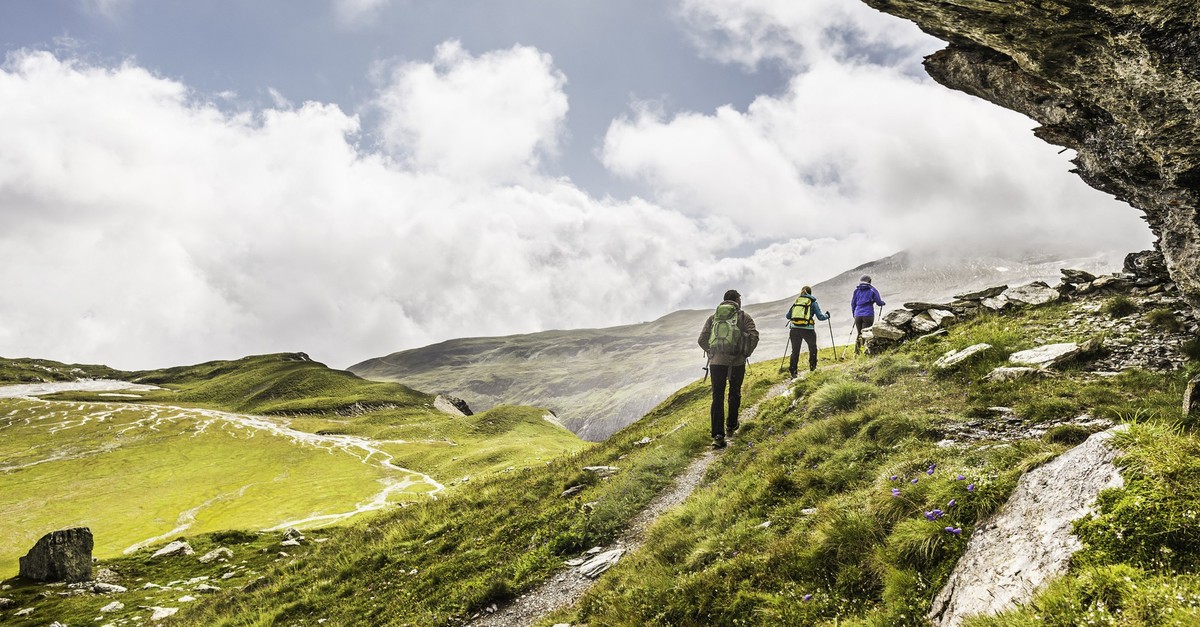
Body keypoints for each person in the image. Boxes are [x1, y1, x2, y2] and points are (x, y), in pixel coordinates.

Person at [698, 289, 759, 449]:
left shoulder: (713, 318)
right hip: (737, 362)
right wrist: (745, 353)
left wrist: (711, 352)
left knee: (717, 396)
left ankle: (718, 436)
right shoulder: (744, 317)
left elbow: (702, 339)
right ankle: (731, 425)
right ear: (737, 300)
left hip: (716, 362)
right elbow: (754, 335)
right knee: (734, 392)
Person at [783, 286, 830, 377]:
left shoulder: (796, 302)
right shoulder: (812, 302)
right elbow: (820, 317)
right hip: (808, 330)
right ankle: (813, 369)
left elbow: (788, 316)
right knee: (812, 348)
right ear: (810, 293)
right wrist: (827, 315)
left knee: (795, 351)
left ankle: (793, 372)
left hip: (794, 330)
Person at [850, 275, 886, 354]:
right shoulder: (872, 290)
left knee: (859, 333)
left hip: (857, 314)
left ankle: (857, 352)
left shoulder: (856, 291)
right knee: (866, 333)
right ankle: (865, 351)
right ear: (869, 281)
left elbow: (853, 303)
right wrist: (882, 303)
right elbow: (879, 302)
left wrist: (854, 314)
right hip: (868, 314)